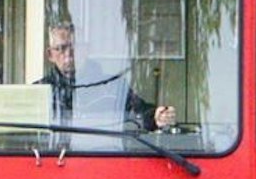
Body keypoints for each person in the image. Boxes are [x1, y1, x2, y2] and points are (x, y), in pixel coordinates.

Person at [39, 22, 176, 131]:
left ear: (86, 49)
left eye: (75, 47)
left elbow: (139, 112)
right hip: (56, 160)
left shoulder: (113, 87)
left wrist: (156, 117)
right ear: (50, 54)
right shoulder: (40, 91)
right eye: (61, 48)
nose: (68, 54)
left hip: (104, 157)